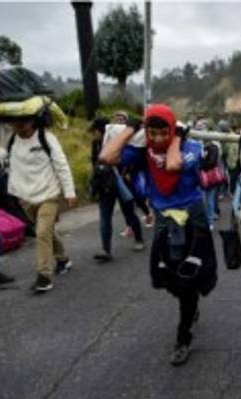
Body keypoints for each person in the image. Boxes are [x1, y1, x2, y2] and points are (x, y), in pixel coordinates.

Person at [99, 105, 215, 366]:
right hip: (165, 221)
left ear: (173, 130)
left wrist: (176, 138)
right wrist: (132, 127)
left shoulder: (191, 148)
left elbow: (173, 166)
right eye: (153, 133)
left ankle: (183, 337)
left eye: (165, 133)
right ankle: (190, 305)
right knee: (168, 278)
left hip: (192, 218)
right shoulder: (143, 153)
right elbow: (106, 157)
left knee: (189, 276)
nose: (159, 139)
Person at [0, 76, 75, 294]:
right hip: (25, 197)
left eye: (23, 122)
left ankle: (44, 276)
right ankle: (63, 259)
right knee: (45, 232)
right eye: (15, 122)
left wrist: (69, 192)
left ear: (34, 120)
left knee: (41, 233)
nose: (18, 126)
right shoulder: (9, 138)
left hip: (49, 194)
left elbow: (62, 165)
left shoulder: (45, 138)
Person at [87, 117, 144, 262]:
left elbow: (129, 159)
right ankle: (106, 250)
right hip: (105, 184)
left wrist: (126, 173)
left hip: (122, 182)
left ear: (100, 130)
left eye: (95, 132)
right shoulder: (96, 144)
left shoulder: (119, 140)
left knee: (129, 213)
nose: (94, 135)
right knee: (105, 217)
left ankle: (139, 239)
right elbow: (95, 163)